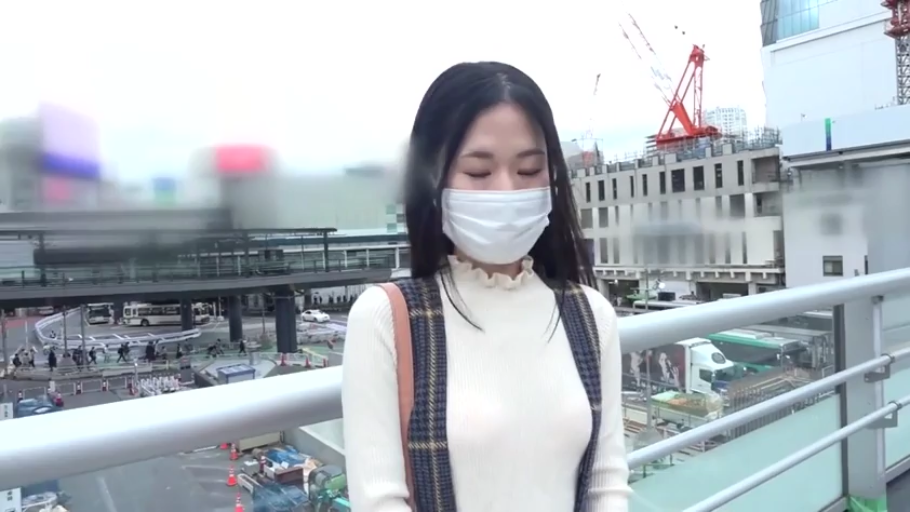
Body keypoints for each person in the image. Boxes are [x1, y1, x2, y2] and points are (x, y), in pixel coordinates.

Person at [341, 62, 630, 512]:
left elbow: (606, 484)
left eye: (529, 170)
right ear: (432, 180)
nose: (506, 191)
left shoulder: (591, 315)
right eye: (478, 172)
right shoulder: (386, 318)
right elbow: (379, 501)